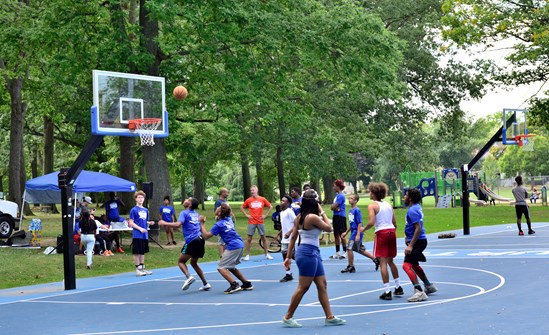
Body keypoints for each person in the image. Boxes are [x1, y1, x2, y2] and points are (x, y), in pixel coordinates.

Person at [282, 189, 346, 328]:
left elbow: (293, 237)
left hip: (312, 252)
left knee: (322, 285)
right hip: (307, 253)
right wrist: (322, 211)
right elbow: (329, 228)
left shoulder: (300, 217)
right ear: (314, 203)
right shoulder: (312, 217)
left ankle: (329, 317)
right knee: (303, 287)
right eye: (317, 201)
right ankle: (288, 316)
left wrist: (288, 257)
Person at [199, 203, 254, 294]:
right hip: (239, 244)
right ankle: (246, 284)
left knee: (221, 267)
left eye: (218, 208)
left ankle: (234, 284)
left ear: (220, 213)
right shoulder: (229, 219)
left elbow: (206, 236)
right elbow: (225, 214)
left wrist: (202, 223)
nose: (216, 208)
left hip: (233, 246)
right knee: (231, 267)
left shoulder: (219, 224)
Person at [158, 197, 210, 291]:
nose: (185, 200)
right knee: (194, 263)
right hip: (200, 239)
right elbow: (199, 227)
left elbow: (178, 224)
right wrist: (202, 223)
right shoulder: (196, 214)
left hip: (192, 240)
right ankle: (205, 283)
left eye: (188, 200)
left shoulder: (184, 213)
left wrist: (164, 222)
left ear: (189, 205)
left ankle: (189, 277)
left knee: (181, 261)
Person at [362, 182, 403, 300]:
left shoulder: (372, 206)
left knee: (382, 262)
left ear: (374, 194)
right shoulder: (388, 205)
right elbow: (394, 222)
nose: (369, 193)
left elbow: (371, 222)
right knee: (391, 261)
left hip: (382, 233)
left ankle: (387, 291)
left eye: (370, 191)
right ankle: (398, 287)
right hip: (391, 231)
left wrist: (363, 229)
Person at [402, 188, 438, 302]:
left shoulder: (412, 211)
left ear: (410, 198)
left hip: (417, 242)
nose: (404, 197)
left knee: (406, 266)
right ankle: (429, 286)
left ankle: (419, 291)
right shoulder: (416, 208)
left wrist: (411, 245)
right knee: (414, 265)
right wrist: (407, 237)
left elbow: (418, 228)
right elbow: (413, 226)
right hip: (417, 240)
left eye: (406, 195)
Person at [340, 194, 379, 273]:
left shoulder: (356, 210)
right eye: (349, 198)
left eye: (351, 198)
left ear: (355, 201)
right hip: (353, 231)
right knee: (359, 249)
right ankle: (375, 259)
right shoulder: (351, 210)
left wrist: (358, 234)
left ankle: (351, 266)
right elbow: (352, 224)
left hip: (356, 232)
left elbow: (359, 223)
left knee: (349, 248)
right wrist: (346, 233)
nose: (349, 199)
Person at [240, 185, 274, 260]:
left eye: (253, 190)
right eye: (251, 190)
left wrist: (265, 215)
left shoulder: (262, 199)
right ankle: (247, 255)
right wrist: (246, 215)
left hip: (260, 221)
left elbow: (270, 207)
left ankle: (267, 254)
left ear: (257, 190)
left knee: (263, 238)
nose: (252, 192)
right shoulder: (249, 200)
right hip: (251, 221)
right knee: (249, 238)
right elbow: (242, 207)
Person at [128, 190, 155, 276]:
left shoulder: (146, 210)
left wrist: (149, 223)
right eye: (139, 197)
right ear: (136, 199)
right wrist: (140, 229)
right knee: (137, 251)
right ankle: (138, 269)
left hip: (144, 234)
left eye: (142, 197)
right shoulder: (133, 210)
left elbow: (144, 220)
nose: (140, 199)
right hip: (137, 234)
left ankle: (142, 268)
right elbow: (131, 222)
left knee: (142, 251)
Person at [213, 188, 236, 258]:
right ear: (222, 193)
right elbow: (216, 213)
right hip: (222, 223)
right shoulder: (218, 202)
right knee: (221, 240)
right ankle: (222, 256)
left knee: (226, 240)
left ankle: (226, 255)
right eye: (226, 192)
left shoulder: (225, 201)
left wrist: (233, 216)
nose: (228, 194)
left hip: (228, 222)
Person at [279, 195, 297, 282]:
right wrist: (279, 233)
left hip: (291, 238)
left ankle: (308, 269)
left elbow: (296, 223)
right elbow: (284, 226)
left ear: (288, 203)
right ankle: (288, 273)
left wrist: (289, 232)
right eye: (281, 200)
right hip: (284, 239)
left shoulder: (290, 212)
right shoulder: (281, 213)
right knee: (285, 255)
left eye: (283, 201)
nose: (281, 202)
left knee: (293, 256)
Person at [330, 179, 347, 259]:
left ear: (338, 186)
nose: (333, 187)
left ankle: (345, 251)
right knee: (335, 234)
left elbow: (333, 206)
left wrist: (334, 207)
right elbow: (332, 207)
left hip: (340, 217)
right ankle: (337, 252)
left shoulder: (341, 196)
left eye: (334, 186)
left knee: (342, 234)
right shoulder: (337, 196)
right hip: (335, 216)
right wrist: (334, 208)